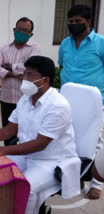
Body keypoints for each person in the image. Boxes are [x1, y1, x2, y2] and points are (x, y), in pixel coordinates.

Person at [0, 56, 80, 214]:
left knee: (26, 187)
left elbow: (40, 144)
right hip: (27, 155)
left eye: (30, 75)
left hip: (51, 161)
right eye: (25, 74)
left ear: (45, 80)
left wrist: (2, 150)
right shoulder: (26, 99)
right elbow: (10, 129)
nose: (24, 78)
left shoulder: (58, 106)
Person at [58, 4, 104, 200]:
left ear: (88, 22)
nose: (73, 25)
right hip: (67, 101)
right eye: (71, 22)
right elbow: (62, 66)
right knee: (69, 140)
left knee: (96, 141)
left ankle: (97, 183)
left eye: (78, 21)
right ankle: (74, 177)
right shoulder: (64, 44)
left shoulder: (100, 43)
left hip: (96, 101)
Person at [0, 17, 40, 146]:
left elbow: (30, 69)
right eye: (19, 30)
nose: (22, 33)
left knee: (26, 135)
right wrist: (18, 73)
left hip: (26, 100)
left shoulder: (34, 49)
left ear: (31, 34)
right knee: (8, 135)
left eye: (25, 31)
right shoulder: (4, 48)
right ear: (14, 30)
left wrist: (9, 67)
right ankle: (10, 161)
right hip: (7, 99)